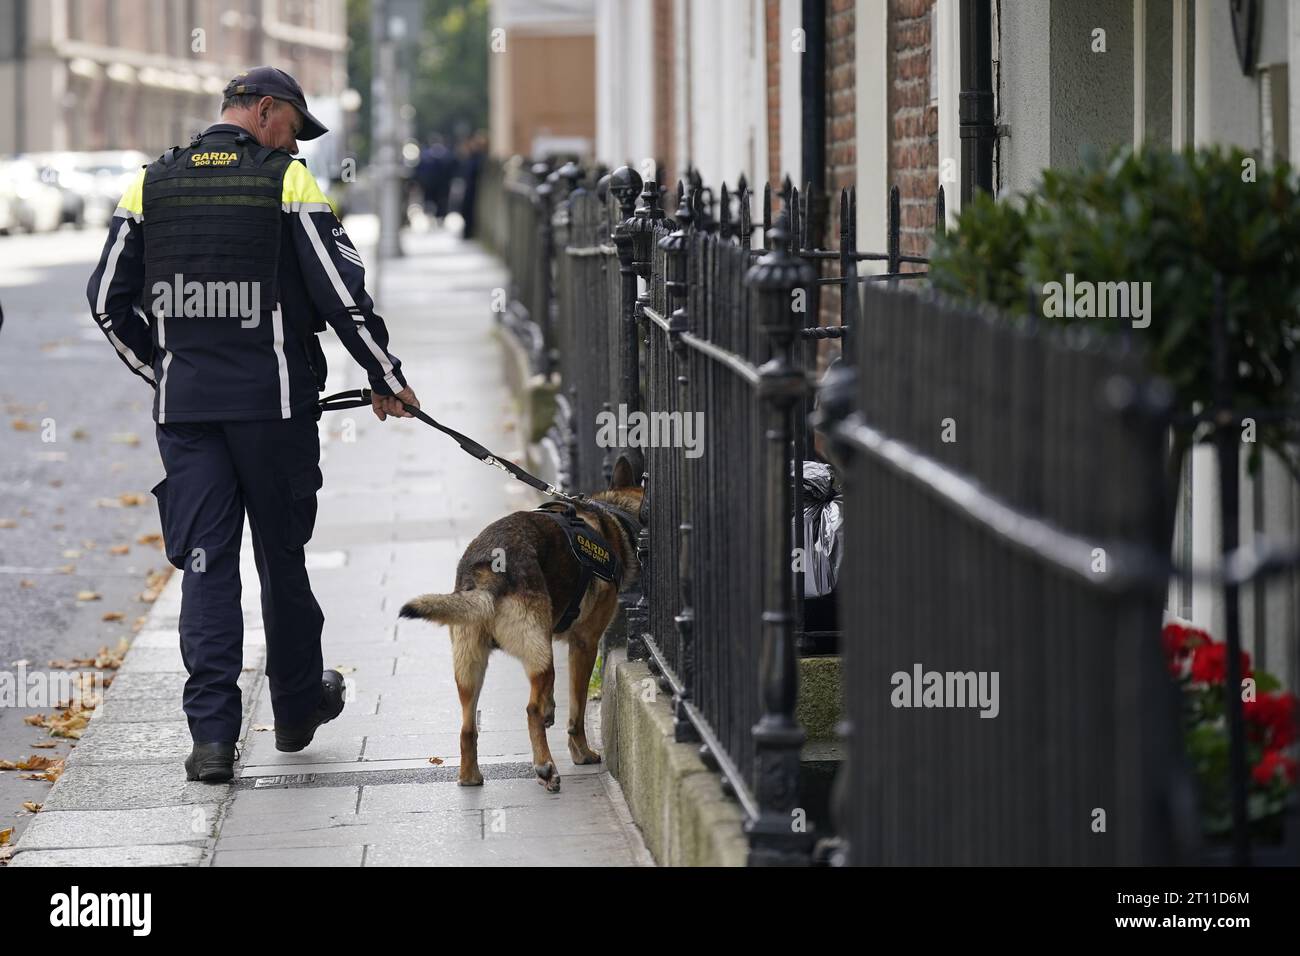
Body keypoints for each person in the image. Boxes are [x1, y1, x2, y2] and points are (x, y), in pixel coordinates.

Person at [85, 66, 420, 783]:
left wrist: (165, 372)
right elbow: (339, 295)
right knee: (280, 557)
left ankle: (211, 739)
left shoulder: (152, 183)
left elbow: (107, 302)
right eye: (293, 129)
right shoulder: (285, 182)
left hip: (190, 416)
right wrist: (386, 378)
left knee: (204, 567)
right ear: (266, 111)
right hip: (273, 411)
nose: (294, 144)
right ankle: (297, 709)